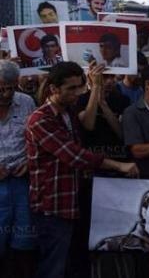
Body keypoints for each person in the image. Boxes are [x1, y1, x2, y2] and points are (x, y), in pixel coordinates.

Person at [25, 62, 138, 278]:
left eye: (80, 86)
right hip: (52, 205)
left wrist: (95, 87)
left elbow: (88, 125)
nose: (77, 93)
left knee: (71, 263)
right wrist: (119, 165)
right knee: (53, 267)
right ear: (54, 89)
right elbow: (75, 156)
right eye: (71, 88)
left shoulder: (67, 112)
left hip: (72, 200)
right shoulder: (40, 119)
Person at [0, 61, 36, 278]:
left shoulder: (26, 102)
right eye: (0, 89)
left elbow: (36, 139)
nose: (5, 94)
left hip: (23, 182)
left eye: (10, 88)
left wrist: (30, 161)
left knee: (24, 240)